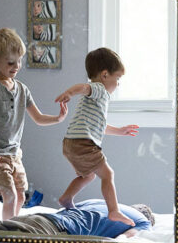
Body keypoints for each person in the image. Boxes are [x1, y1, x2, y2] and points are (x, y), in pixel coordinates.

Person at [0, 27, 67, 220]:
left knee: (21, 196)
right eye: (10, 63)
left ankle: (14, 225)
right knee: (9, 195)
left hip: (15, 155)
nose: (16, 66)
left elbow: (38, 118)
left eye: (19, 61)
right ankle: (7, 229)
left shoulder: (22, 89)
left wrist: (57, 118)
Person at [54, 47, 140, 225]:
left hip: (70, 144)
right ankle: (114, 211)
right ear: (105, 75)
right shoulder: (99, 89)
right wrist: (69, 93)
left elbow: (100, 126)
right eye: (118, 78)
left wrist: (120, 131)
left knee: (89, 175)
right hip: (83, 144)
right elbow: (83, 87)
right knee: (108, 174)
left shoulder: (96, 99)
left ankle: (66, 199)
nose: (118, 84)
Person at [0, 199, 153, 238]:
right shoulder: (142, 221)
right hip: (56, 230)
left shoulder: (97, 201)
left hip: (37, 218)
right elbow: (125, 239)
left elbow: (66, 206)